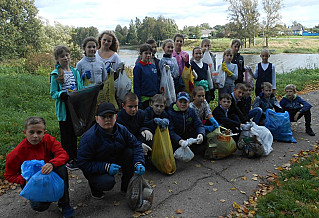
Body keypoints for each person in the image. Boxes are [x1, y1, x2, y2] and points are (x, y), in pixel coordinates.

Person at [5, 117, 74, 218]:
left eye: (39, 132)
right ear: (25, 132)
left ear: (44, 132)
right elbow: (9, 175)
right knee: (40, 206)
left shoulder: (48, 140)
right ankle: (46, 197)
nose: (35, 136)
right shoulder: (16, 153)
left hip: (50, 173)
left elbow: (63, 154)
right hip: (32, 181)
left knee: (61, 168)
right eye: (31, 132)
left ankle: (64, 203)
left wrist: (52, 164)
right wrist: (24, 179)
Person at [77, 103, 145, 199]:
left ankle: (126, 187)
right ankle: (95, 188)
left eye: (110, 116)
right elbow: (83, 163)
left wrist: (139, 162)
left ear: (116, 117)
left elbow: (136, 145)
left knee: (129, 153)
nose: (107, 119)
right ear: (96, 119)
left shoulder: (122, 129)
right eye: (103, 117)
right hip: (97, 164)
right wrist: (105, 167)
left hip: (113, 158)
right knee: (107, 182)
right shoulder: (89, 138)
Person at [50, 45, 84, 170]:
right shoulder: (55, 74)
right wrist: (61, 95)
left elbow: (80, 89)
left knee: (74, 133)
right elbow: (53, 93)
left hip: (74, 109)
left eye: (67, 55)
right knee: (66, 135)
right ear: (57, 59)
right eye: (62, 56)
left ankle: (75, 157)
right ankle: (67, 158)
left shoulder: (75, 72)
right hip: (64, 109)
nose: (65, 58)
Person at [133, 44, 160, 109]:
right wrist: (138, 101)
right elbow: (136, 85)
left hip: (154, 98)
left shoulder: (153, 66)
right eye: (146, 53)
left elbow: (156, 82)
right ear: (141, 54)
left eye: (150, 53)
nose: (148, 55)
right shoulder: (138, 67)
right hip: (144, 99)